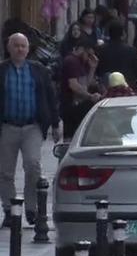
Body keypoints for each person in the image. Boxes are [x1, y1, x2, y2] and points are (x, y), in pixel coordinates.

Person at [0, 33, 59, 229]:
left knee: (33, 165)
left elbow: (50, 96)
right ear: (9, 48)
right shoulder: (2, 70)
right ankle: (10, 210)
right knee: (5, 172)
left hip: (32, 126)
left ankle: (32, 209)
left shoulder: (38, 70)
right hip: (7, 126)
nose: (20, 49)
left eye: (23, 46)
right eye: (16, 45)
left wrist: (55, 123)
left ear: (28, 49)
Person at [60, 38, 101, 141]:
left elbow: (85, 85)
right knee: (70, 138)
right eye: (88, 54)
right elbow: (73, 85)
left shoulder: (82, 63)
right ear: (82, 49)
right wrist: (90, 96)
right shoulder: (71, 61)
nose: (89, 58)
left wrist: (92, 68)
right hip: (71, 106)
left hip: (79, 105)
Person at [97, 21, 137, 93]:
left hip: (107, 88)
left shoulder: (101, 50)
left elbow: (98, 71)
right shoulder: (131, 50)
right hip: (128, 88)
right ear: (123, 34)